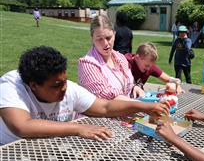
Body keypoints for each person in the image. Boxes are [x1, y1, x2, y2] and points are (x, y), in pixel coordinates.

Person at [0, 46, 170, 146]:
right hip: (10, 154)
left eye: (65, 81)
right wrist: (78, 129)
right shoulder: (12, 86)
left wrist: (145, 106)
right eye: (57, 85)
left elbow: (104, 107)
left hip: (50, 150)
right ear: (33, 85)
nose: (65, 88)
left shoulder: (68, 89)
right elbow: (22, 126)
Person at [78, 15, 144, 101]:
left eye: (108, 38)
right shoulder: (87, 64)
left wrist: (134, 88)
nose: (105, 43)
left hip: (126, 112)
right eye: (99, 39)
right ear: (92, 39)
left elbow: (128, 84)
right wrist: (139, 105)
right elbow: (106, 96)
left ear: (114, 34)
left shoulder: (120, 58)